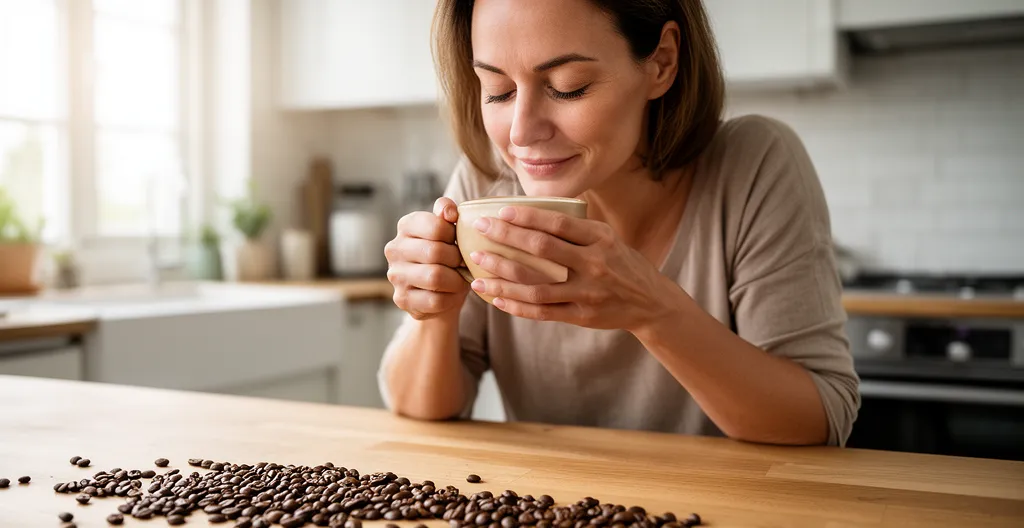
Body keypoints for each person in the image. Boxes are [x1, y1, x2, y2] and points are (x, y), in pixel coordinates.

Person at [378, 0, 860, 446]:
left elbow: (820, 418)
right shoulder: (485, 184)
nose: (521, 132)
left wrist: (653, 312)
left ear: (662, 62)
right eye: (498, 91)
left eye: (568, 86)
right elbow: (422, 406)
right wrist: (436, 311)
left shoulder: (751, 166)